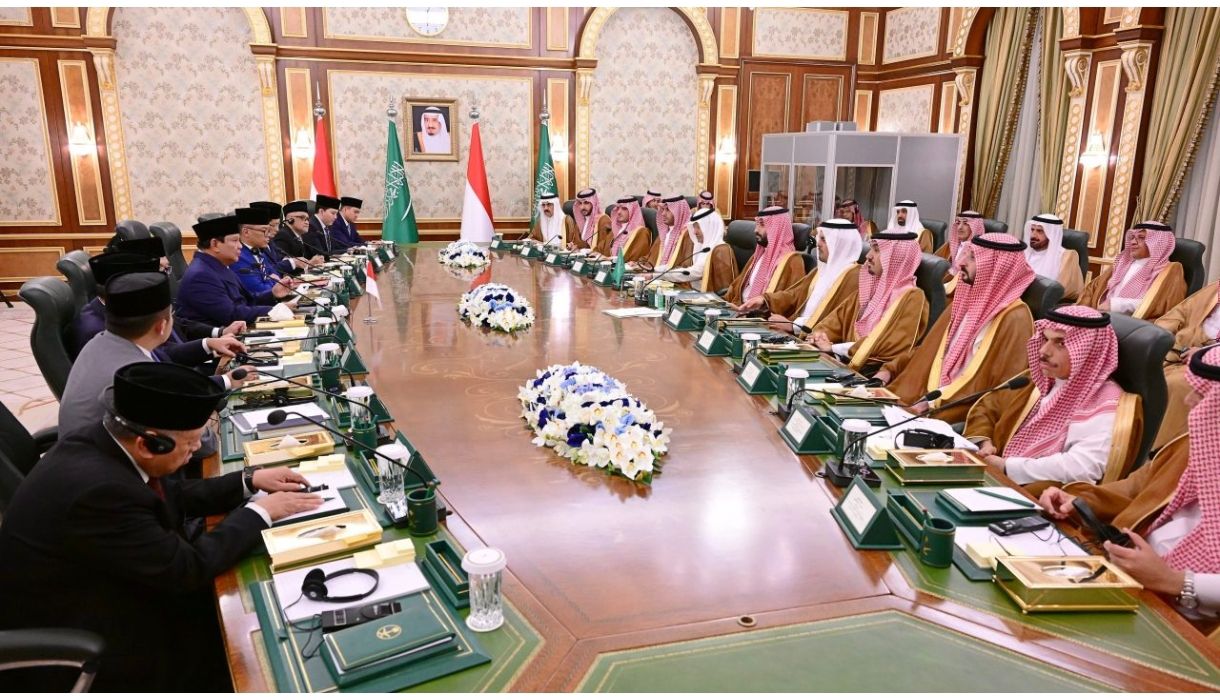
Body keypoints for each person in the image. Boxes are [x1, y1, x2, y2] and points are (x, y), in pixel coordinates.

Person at [0, 362, 324, 691]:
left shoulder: (104, 442)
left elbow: (171, 493)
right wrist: (260, 512)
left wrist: (248, 480)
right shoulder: (100, 493)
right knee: (262, 637)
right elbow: (186, 569)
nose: (196, 450)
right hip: (99, 640)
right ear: (149, 444)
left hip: (114, 587)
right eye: (191, 443)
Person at [1039, 346, 1220, 623]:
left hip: (1188, 623)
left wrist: (1174, 580)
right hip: (1124, 582)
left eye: (1204, 396)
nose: (1188, 400)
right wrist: (1078, 501)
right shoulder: (1194, 446)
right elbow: (1135, 488)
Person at [59, 271, 251, 437]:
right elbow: (198, 443)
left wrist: (223, 376)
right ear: (161, 326)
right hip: (115, 464)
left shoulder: (102, 341)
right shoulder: (135, 373)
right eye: (172, 314)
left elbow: (168, 376)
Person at [876, 233, 1036, 424]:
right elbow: (927, 351)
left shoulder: (1015, 320)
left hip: (951, 413)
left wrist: (932, 402)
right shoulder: (963, 303)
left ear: (998, 269)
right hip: (916, 402)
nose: (961, 263)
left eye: (973, 257)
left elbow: (998, 390)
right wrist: (889, 370)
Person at [964, 306, 1123, 492]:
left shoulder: (1105, 401)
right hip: (992, 475)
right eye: (1046, 339)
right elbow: (989, 407)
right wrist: (985, 442)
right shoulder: (1039, 379)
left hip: (1034, 496)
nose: (1044, 351)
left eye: (1060, 343)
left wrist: (1007, 466)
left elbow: (1083, 466)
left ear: (1089, 350)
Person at [71, 253, 241, 357]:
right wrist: (222, 380)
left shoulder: (123, 306)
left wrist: (218, 335)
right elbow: (159, 358)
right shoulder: (98, 329)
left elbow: (178, 324)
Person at [810, 231, 927, 372]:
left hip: (871, 374)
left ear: (897, 257)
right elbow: (837, 320)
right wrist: (821, 335)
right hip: (840, 364)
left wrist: (834, 348)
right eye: (871, 249)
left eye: (877, 250)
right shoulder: (870, 287)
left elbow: (890, 346)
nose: (868, 256)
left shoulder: (912, 298)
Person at [177, 215, 296, 327]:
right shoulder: (201, 275)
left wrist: (273, 293)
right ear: (215, 244)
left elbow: (247, 300)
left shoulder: (218, 265)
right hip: (223, 337)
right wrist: (274, 310)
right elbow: (231, 315)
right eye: (235, 241)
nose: (240, 246)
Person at [740, 219, 862, 327]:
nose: (818, 244)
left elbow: (837, 320)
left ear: (840, 244)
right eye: (819, 238)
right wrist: (765, 300)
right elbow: (794, 295)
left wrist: (793, 326)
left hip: (813, 337)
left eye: (824, 240)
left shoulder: (853, 277)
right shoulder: (822, 270)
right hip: (798, 329)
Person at [1150, 282, 1220, 449]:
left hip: (1210, 364)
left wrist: (1205, 352)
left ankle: (1162, 452)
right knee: (1141, 367)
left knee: (1175, 384)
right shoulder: (1215, 289)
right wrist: (1159, 336)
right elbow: (1179, 313)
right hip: (1180, 348)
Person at [1078, 221, 1186, 319]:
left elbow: (1161, 305)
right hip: (1100, 317)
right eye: (1133, 237)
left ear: (1158, 243)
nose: (1133, 242)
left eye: (1141, 237)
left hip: (1134, 326)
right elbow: (1094, 289)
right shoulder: (1122, 264)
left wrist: (1117, 305)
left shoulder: (1169, 271)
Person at [722, 206, 802, 306]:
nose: (755, 230)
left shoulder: (792, 261)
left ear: (776, 228)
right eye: (757, 224)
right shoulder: (759, 254)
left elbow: (791, 299)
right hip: (737, 307)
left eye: (762, 224)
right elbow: (737, 286)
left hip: (760, 314)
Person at [656, 206, 728, 289]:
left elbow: (693, 273)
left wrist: (657, 275)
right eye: (694, 227)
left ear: (709, 228)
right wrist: (654, 271)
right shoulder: (701, 247)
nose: (695, 232)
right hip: (692, 291)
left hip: (707, 295)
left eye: (698, 227)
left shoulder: (720, 250)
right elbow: (680, 267)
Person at [1022, 214, 1084, 301]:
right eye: (1032, 230)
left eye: (1040, 231)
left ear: (1052, 234)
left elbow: (1060, 290)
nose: (1033, 235)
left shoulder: (1066, 256)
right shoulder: (1024, 253)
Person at [232, 206, 282, 297]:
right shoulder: (238, 257)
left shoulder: (257, 251)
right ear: (246, 232)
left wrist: (273, 281)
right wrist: (273, 281)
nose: (268, 235)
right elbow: (259, 289)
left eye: (269, 230)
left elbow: (277, 276)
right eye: (264, 231)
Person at [635, 195, 693, 273]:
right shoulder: (663, 234)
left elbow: (685, 267)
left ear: (679, 212)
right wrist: (637, 263)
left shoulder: (688, 235)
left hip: (673, 279)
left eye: (668, 210)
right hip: (655, 277)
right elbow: (650, 257)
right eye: (663, 209)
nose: (663, 214)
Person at [273, 200, 325, 268]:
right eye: (302, 218)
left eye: (307, 219)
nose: (307, 222)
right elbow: (283, 267)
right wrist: (309, 264)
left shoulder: (301, 236)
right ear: (290, 220)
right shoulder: (282, 236)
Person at [600, 196, 650, 260]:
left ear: (633, 210)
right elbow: (601, 249)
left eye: (624, 208)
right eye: (618, 208)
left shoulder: (641, 232)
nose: (618, 212)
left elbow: (636, 259)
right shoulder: (616, 229)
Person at [572, 188, 610, 252]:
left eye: (586, 203)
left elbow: (604, 248)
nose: (582, 207)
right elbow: (581, 243)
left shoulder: (603, 220)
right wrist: (573, 245)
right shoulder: (580, 221)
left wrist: (584, 250)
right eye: (580, 203)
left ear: (594, 203)